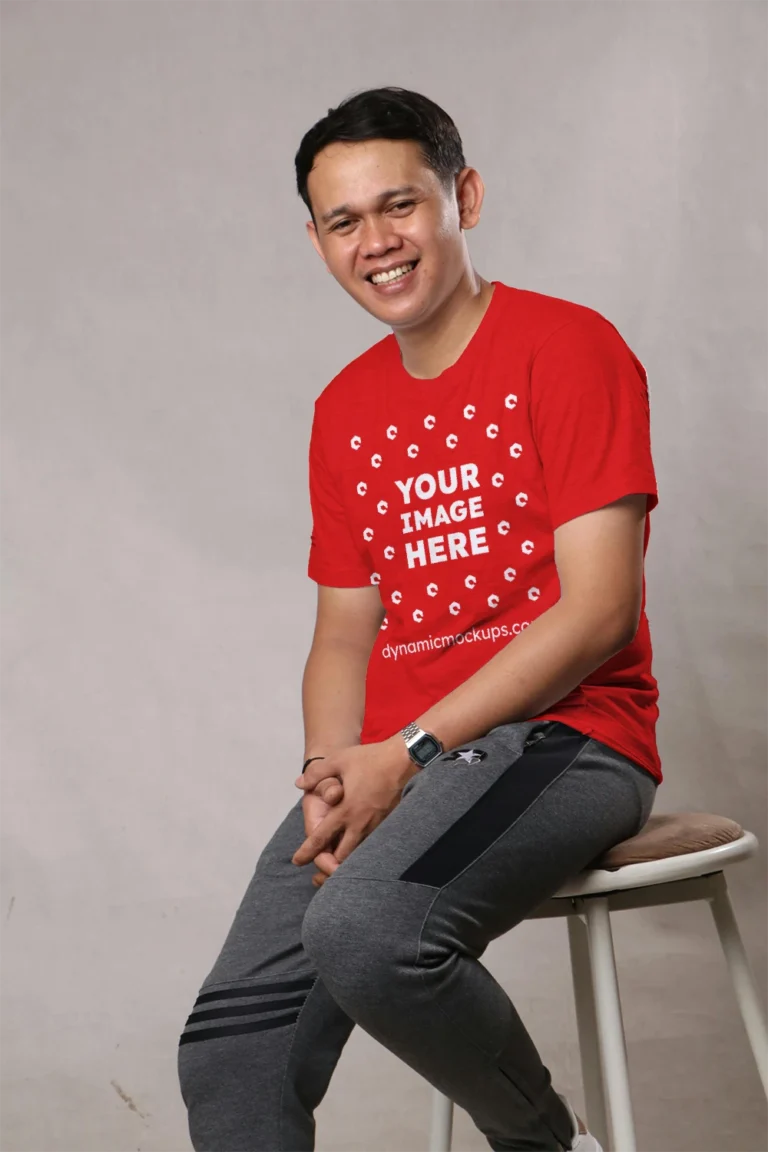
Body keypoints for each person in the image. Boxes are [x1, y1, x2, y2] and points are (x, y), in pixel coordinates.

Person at [177, 86, 661, 1152]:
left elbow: (598, 611)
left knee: (367, 935)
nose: (376, 243)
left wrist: (407, 747)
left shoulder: (568, 348)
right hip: (404, 761)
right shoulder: (345, 409)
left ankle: (546, 1142)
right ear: (315, 239)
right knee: (231, 1048)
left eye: (400, 206)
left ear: (465, 197)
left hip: (568, 743)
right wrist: (329, 772)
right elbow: (344, 632)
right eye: (344, 221)